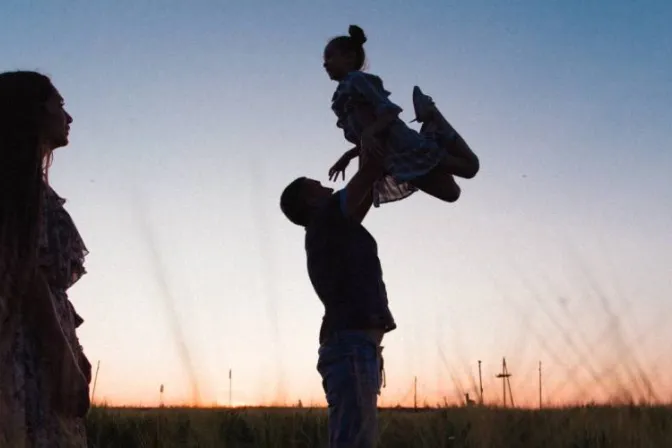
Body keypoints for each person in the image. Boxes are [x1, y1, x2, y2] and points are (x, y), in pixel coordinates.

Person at [0, 70, 91, 447]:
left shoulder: (32, 186)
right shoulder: (9, 185)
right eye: (60, 105)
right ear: (32, 111)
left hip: (41, 340)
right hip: (27, 346)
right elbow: (28, 275)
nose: (68, 117)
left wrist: (75, 348)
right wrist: (59, 351)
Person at [280, 148, 394, 447]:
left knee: (357, 439)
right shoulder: (327, 217)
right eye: (315, 184)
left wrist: (359, 148)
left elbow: (368, 183)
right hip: (351, 347)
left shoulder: (335, 225)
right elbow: (371, 171)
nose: (324, 184)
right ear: (310, 200)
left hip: (355, 347)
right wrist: (363, 144)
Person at [325, 25, 480, 207]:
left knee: (470, 167)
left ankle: (432, 114)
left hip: (406, 145)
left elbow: (389, 111)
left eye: (329, 57)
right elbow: (368, 139)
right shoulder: (341, 99)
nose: (325, 63)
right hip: (392, 159)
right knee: (451, 193)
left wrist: (369, 133)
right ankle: (430, 135)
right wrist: (349, 155)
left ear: (349, 57)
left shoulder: (357, 80)